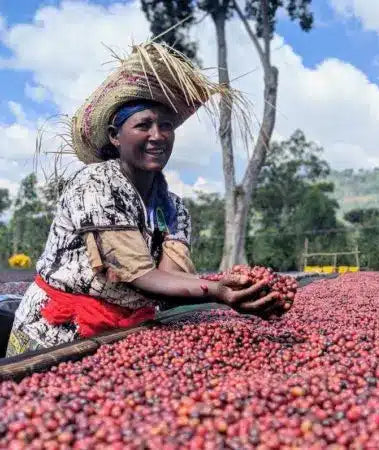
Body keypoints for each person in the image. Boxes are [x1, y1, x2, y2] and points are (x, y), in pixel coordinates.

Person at [6, 43, 283, 357]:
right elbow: (140, 275)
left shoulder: (173, 208)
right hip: (57, 330)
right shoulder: (98, 183)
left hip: (126, 333)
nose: (157, 135)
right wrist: (217, 290)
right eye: (143, 125)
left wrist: (230, 285)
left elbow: (171, 279)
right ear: (115, 136)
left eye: (165, 126)